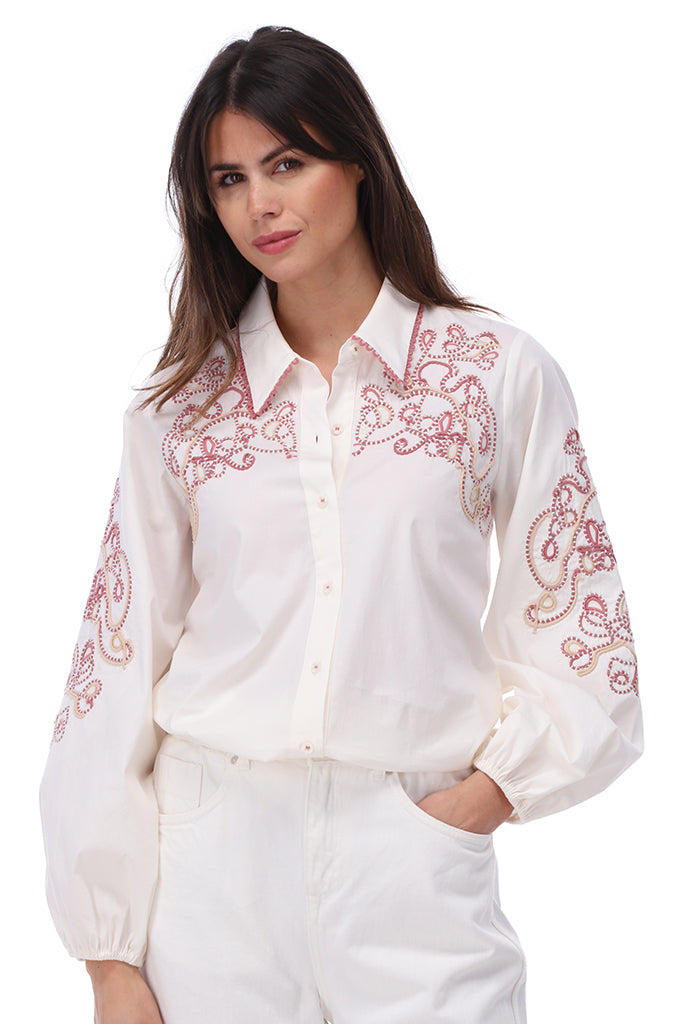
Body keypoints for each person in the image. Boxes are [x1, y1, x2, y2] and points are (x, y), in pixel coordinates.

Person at [39, 25, 643, 1024]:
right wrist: (108, 958)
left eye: (287, 163)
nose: (259, 204)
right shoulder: (180, 411)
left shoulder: (495, 375)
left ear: (358, 163)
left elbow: (581, 622)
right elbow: (112, 671)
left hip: (414, 855)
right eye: (229, 179)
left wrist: (480, 799)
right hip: (211, 872)